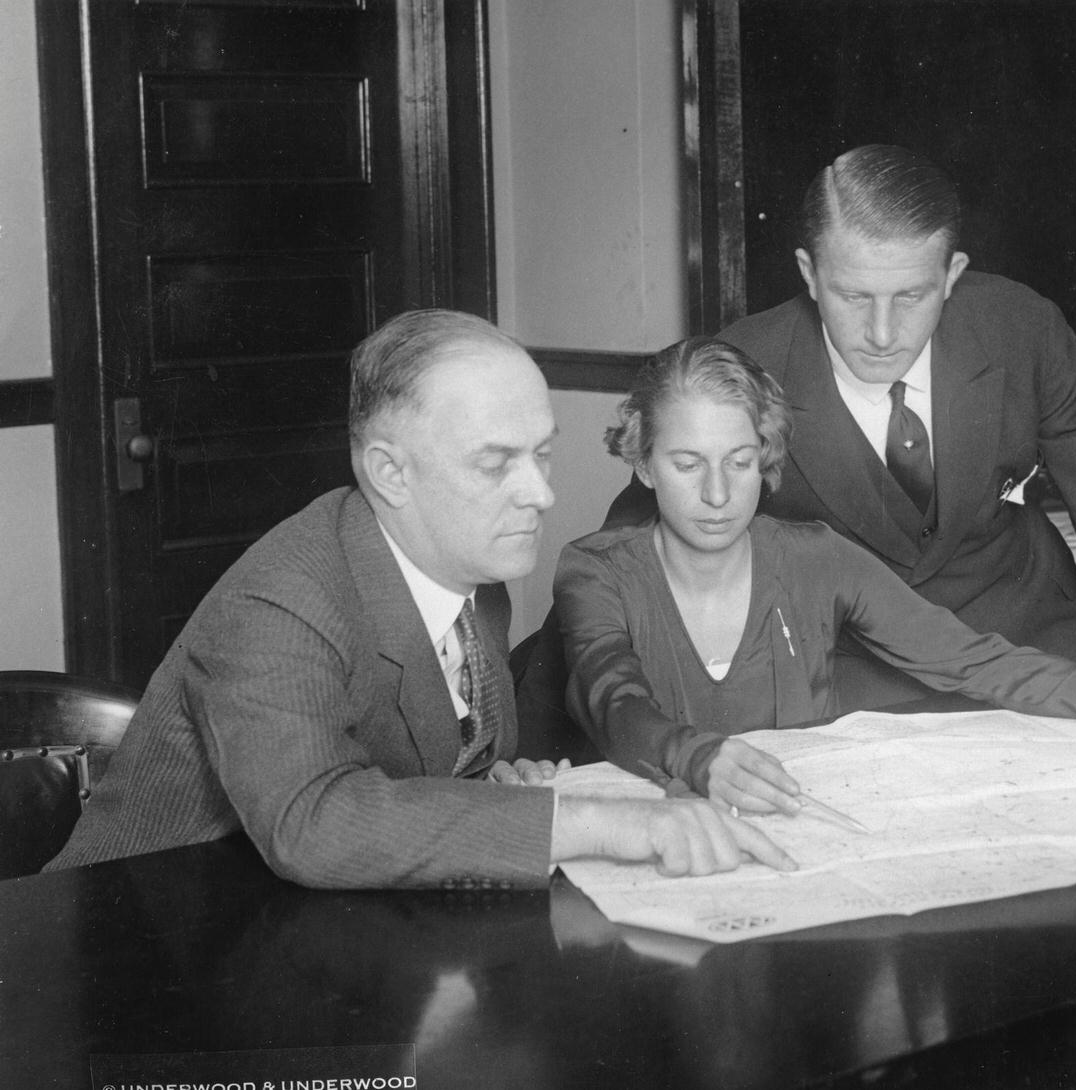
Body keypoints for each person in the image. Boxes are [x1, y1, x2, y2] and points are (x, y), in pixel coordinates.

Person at [47, 310, 795, 887]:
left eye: (540, 453)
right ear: (390, 473)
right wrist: (585, 821)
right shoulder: (279, 602)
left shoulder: (473, 576)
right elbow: (312, 822)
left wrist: (501, 790)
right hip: (141, 950)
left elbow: (432, 772)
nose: (541, 493)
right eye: (496, 464)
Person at [584, 144, 1076, 719]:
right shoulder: (743, 365)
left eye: (911, 298)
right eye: (852, 297)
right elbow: (629, 557)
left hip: (1038, 651)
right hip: (845, 677)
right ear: (810, 274)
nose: (880, 334)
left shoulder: (1022, 330)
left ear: (952, 274)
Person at [555, 338, 1076, 814]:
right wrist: (699, 757)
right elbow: (612, 699)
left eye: (740, 462)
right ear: (643, 462)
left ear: (768, 458)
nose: (718, 494)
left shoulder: (815, 557)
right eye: (688, 464)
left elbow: (979, 662)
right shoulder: (596, 571)